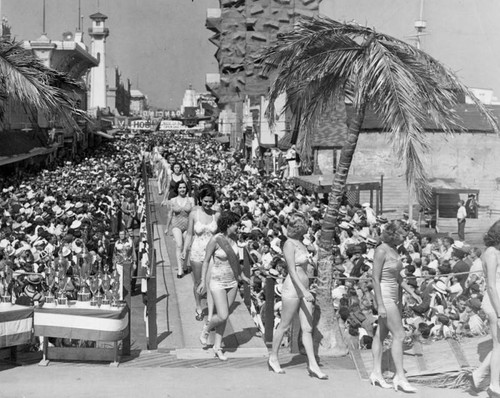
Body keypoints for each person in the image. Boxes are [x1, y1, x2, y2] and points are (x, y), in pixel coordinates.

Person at [267, 213, 328, 380]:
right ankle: (273, 357)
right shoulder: (288, 244)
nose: (293, 229)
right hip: (293, 288)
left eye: (295, 227)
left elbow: (307, 266)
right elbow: (292, 271)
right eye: (293, 226)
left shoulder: (302, 243)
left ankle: (313, 364)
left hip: (304, 287)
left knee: (307, 328)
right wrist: (304, 290)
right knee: (284, 325)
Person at [370, 221, 421, 392]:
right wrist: (380, 305)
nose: (405, 238)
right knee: (399, 334)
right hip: (384, 294)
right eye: (402, 235)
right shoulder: (381, 250)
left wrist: (411, 292)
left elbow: (398, 277)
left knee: (381, 333)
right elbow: (375, 278)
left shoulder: (394, 249)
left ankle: (376, 372)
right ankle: (400, 376)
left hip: (395, 293)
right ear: (393, 234)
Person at [197, 211, 250, 361]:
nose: (238, 228)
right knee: (223, 314)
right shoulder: (215, 240)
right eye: (236, 225)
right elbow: (206, 260)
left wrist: (243, 277)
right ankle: (206, 330)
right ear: (228, 224)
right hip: (217, 281)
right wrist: (202, 281)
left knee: (224, 316)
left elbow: (236, 262)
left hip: (232, 282)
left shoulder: (234, 240)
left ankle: (217, 347)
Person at [470, 220, 500, 397]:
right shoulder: (490, 253)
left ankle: (479, 374)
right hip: (494, 302)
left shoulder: (497, 251)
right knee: (498, 345)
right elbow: (490, 286)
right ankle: (494, 386)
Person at [182, 184, 219, 321]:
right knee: (198, 282)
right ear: (200, 199)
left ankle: (211, 309)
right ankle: (198, 306)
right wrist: (185, 250)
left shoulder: (217, 215)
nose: (208, 204)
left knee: (212, 283)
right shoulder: (194, 214)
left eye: (210, 201)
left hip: (212, 254)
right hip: (197, 252)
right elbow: (190, 233)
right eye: (205, 201)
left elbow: (220, 236)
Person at [164, 181, 194, 278]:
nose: (182, 189)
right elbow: (170, 214)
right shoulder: (173, 200)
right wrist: (167, 228)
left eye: (184, 187)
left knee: (187, 246)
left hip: (188, 225)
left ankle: (185, 265)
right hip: (176, 225)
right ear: (177, 189)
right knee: (179, 245)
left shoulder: (191, 200)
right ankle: (180, 269)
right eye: (180, 187)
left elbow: (193, 214)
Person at [112, 229, 136, 300]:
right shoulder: (117, 243)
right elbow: (114, 254)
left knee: (127, 279)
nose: (121, 236)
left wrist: (134, 262)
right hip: (119, 264)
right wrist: (114, 264)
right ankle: (120, 297)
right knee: (120, 279)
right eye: (120, 234)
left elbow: (133, 252)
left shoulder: (130, 242)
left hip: (128, 264)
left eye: (122, 234)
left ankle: (127, 295)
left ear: (125, 234)